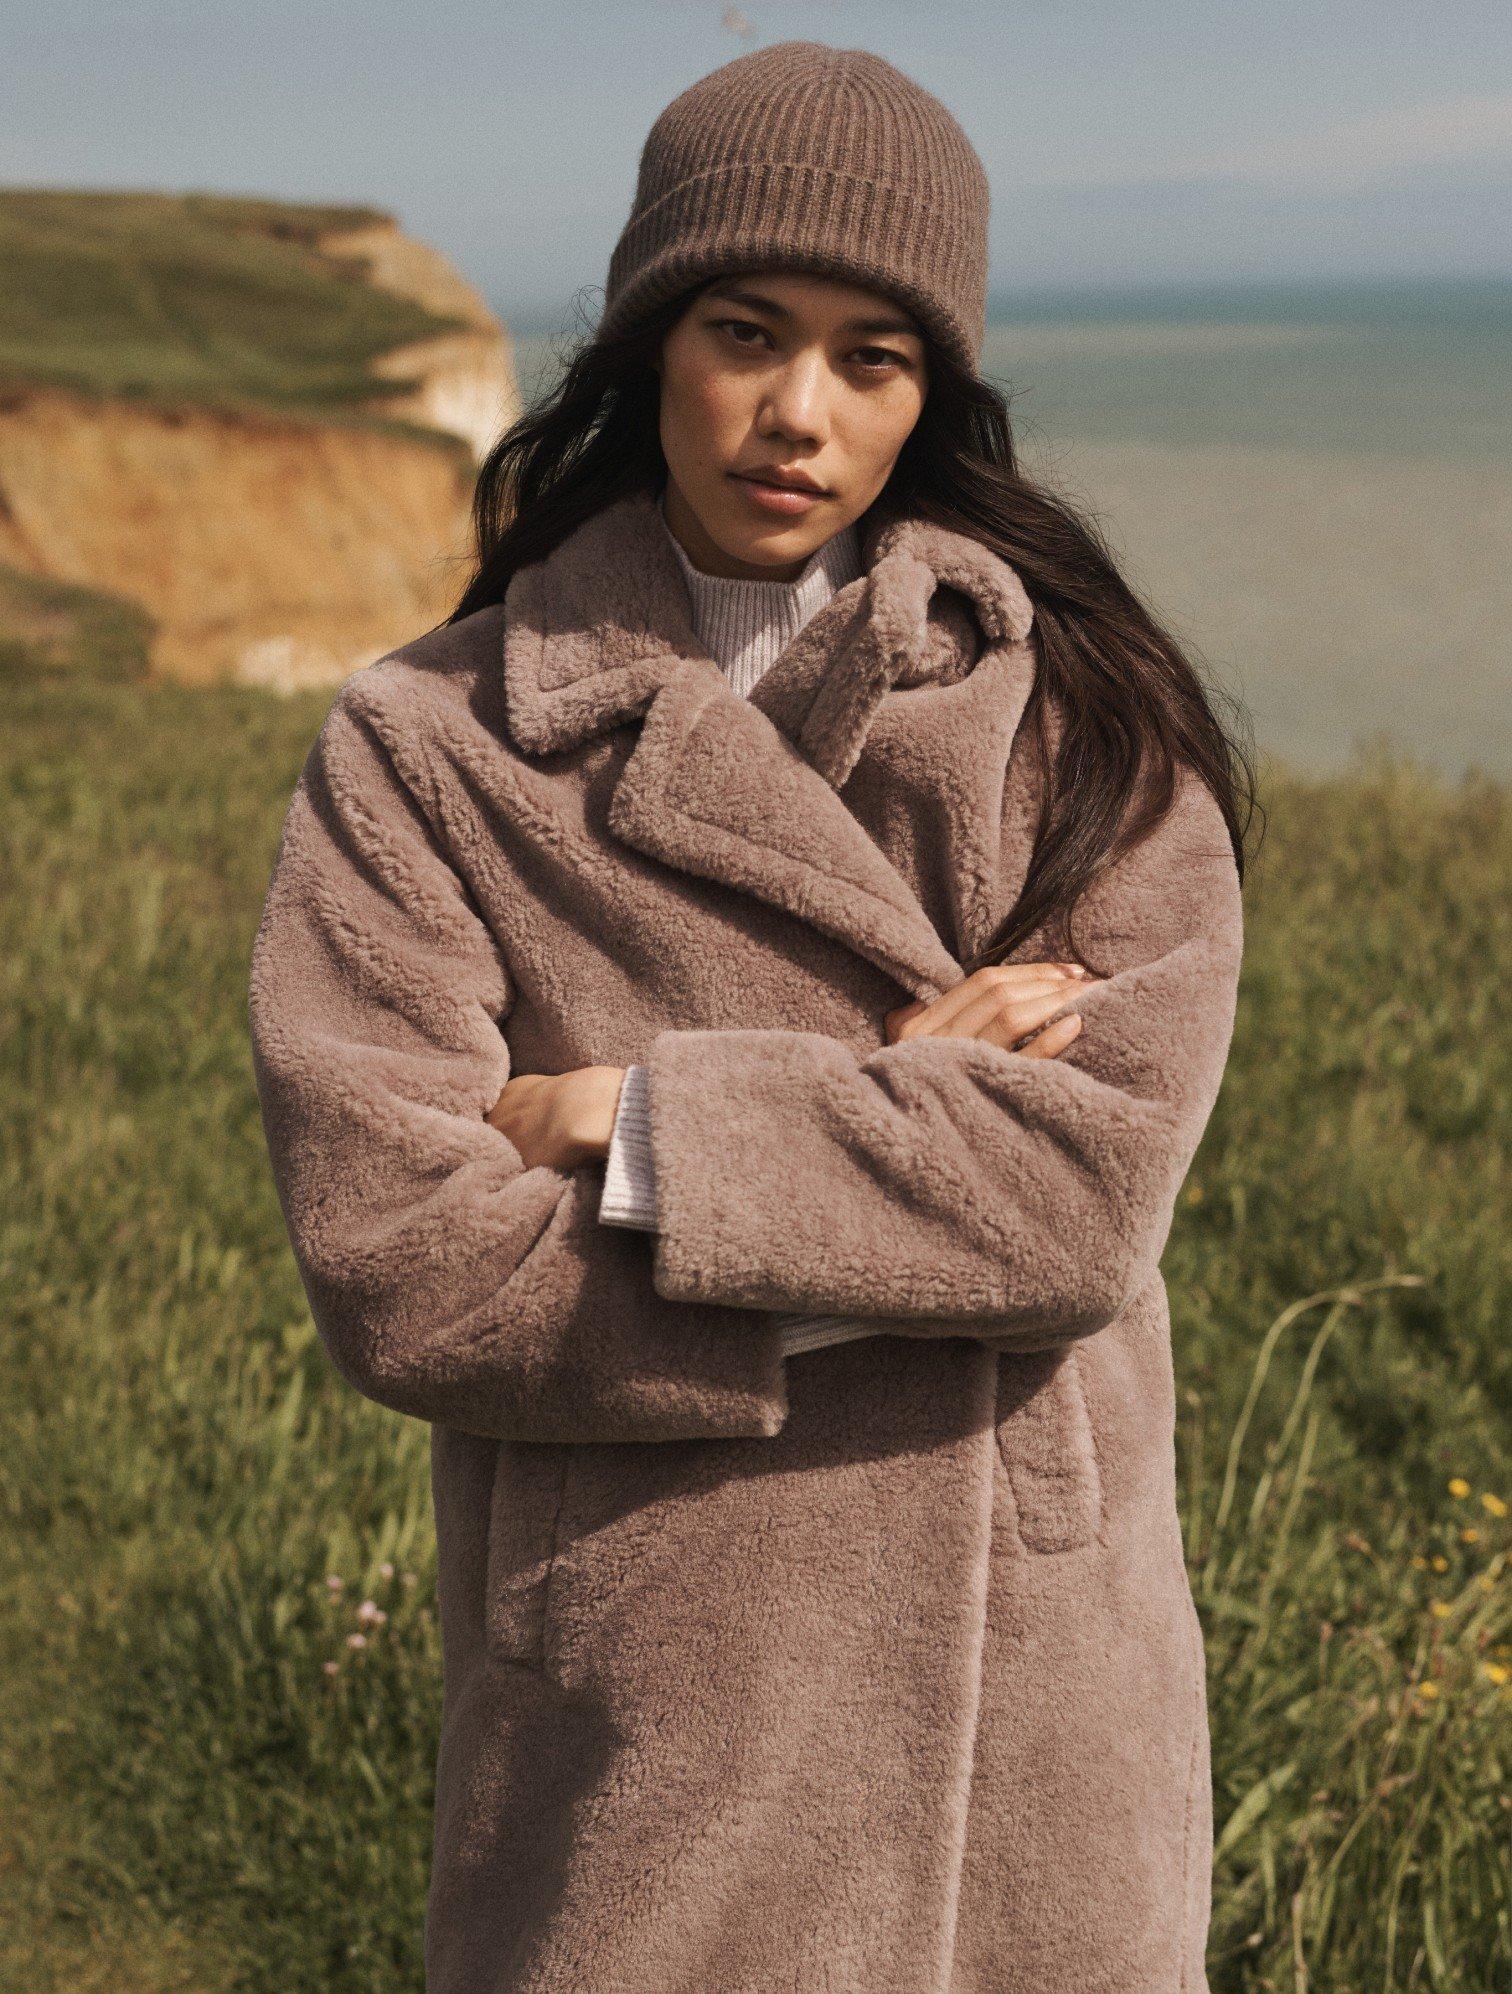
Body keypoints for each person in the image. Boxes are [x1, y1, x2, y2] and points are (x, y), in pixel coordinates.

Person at [249, 39, 1252, 1993]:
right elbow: (401, 1263)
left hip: (1031, 1716)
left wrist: (624, 1125)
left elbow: (1082, 1207)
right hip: (650, 1695)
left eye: (874, 358)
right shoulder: (426, 747)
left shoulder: (1086, 726)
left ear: (931, 396)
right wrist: (898, 1127)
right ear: (649, 343)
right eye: (746, 330)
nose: (799, 411)